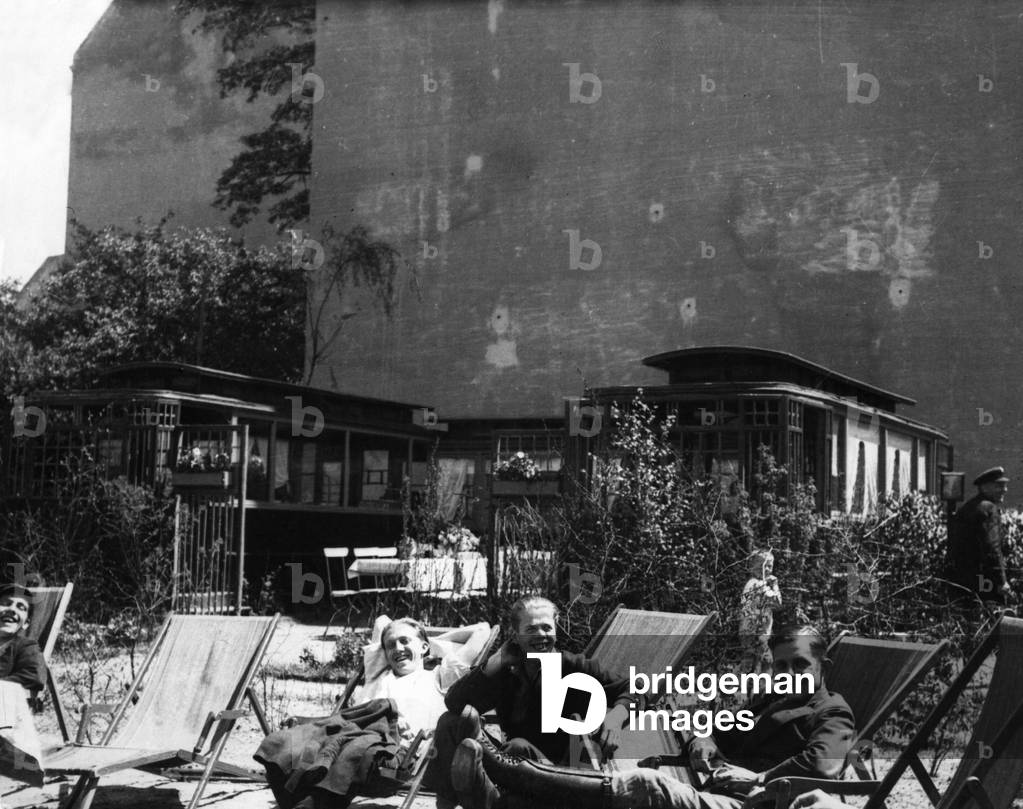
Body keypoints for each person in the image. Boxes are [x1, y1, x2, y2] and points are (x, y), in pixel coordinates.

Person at [452, 624, 855, 809]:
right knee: (618, 781)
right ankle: (500, 796)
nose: (786, 675)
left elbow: (821, 765)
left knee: (644, 783)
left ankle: (508, 771)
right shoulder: (771, 700)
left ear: (825, 665)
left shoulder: (831, 710)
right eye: (779, 666)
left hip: (759, 802)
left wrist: (755, 779)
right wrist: (705, 741)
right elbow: (717, 731)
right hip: (719, 787)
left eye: (798, 666)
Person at [254, 616, 490, 809]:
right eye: (390, 645)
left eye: (405, 641)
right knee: (283, 742)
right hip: (349, 735)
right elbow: (381, 621)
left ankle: (314, 803)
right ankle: (299, 800)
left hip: (395, 752)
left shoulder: (439, 676)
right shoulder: (377, 672)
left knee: (354, 750)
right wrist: (411, 639)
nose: (398, 648)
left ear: (425, 647)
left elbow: (482, 629)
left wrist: (430, 641)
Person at [432, 596, 645, 807]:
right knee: (450, 723)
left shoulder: (570, 666)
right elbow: (454, 702)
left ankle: (486, 796)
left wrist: (616, 717)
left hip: (558, 773)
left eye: (546, 627)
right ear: (515, 636)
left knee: (517, 747)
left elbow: (636, 688)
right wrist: (496, 660)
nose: (541, 635)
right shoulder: (508, 670)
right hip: (510, 766)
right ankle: (464, 801)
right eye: (531, 629)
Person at [947, 467, 1013, 606]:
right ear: (985, 488)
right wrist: (1001, 581)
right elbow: (992, 548)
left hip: (962, 579)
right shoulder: (989, 508)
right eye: (999, 486)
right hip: (985, 582)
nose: (1005, 490)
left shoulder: (968, 507)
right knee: (993, 622)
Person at [737, 550, 782, 675]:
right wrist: (775, 585)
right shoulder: (758, 585)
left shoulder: (753, 583)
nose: (768, 569)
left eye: (770, 566)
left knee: (751, 663)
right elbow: (777, 602)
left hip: (751, 632)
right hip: (756, 632)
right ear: (753, 567)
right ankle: (761, 690)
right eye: (764, 565)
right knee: (766, 662)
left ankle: (737, 689)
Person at [0, 583, 46, 695]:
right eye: (6, 603)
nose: (12, 609)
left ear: (26, 623)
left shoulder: (26, 646)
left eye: (21, 607)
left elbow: (35, 676)